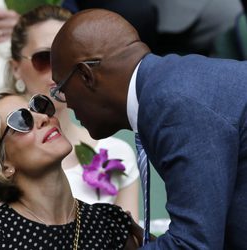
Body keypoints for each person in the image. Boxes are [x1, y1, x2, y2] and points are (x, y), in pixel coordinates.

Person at [50, 8, 247, 249]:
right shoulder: (166, 88)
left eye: (61, 88)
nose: (65, 101)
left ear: (86, 76)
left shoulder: (172, 104)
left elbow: (193, 245)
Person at [6, 5, 139, 221]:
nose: (57, 70)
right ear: (15, 68)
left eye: (69, 59)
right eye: (43, 58)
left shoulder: (116, 153)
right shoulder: (1, 158)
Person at [0, 90, 141, 249]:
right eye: (22, 120)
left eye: (39, 107)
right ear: (4, 165)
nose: (44, 118)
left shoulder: (110, 223)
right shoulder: (1, 233)